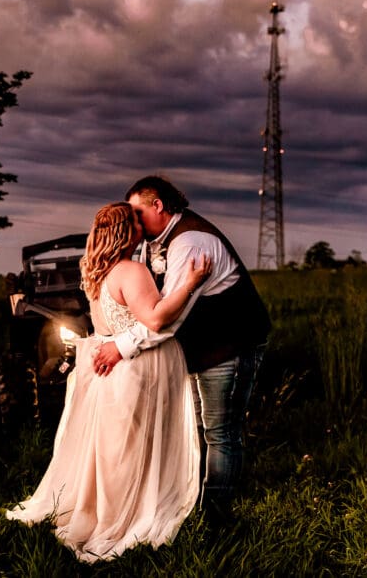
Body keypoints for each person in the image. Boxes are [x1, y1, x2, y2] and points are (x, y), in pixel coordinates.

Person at [6, 201, 212, 563]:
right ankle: (127, 514)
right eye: (135, 219)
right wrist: (191, 283)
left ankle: (105, 508)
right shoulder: (132, 271)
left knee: (115, 447)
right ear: (124, 231)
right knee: (138, 446)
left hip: (108, 367)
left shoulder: (94, 270)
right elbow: (156, 320)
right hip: (137, 366)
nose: (142, 222)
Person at [92, 175, 272, 523]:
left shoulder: (191, 241)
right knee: (194, 430)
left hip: (229, 344)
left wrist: (121, 347)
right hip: (197, 350)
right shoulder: (151, 241)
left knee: (220, 432)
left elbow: (166, 321)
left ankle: (215, 517)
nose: (133, 221)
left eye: (137, 213)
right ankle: (188, 503)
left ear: (157, 205)